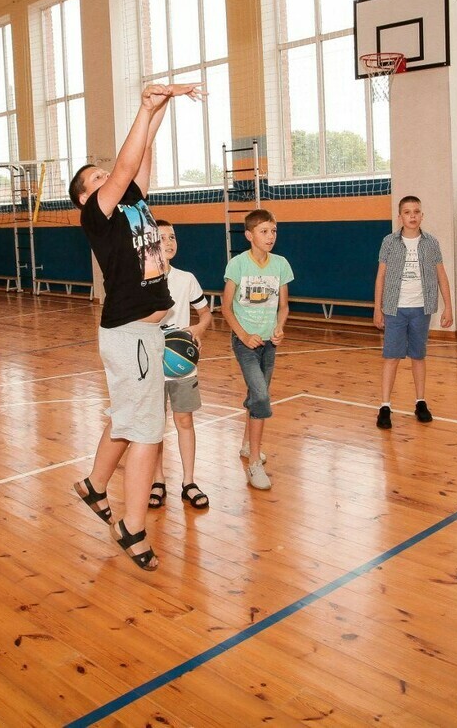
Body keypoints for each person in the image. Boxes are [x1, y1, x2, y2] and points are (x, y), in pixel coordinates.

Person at [69, 82, 203, 571]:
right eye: (97, 176)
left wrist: (160, 110)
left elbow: (140, 157)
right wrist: (142, 109)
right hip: (131, 334)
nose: (109, 175)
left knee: (128, 419)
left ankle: (94, 485)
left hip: (143, 335)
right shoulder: (97, 216)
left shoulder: (132, 203)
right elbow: (126, 165)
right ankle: (132, 526)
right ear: (86, 196)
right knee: (148, 432)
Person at [222, 208, 293, 491]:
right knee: (261, 397)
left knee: (256, 394)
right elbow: (226, 308)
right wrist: (243, 335)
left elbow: (284, 307)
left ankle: (245, 444)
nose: (270, 236)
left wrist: (279, 327)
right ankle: (254, 463)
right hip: (245, 343)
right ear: (249, 235)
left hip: (268, 344)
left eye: (273, 231)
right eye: (264, 231)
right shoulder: (237, 265)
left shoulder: (281, 264)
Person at [149, 219, 215, 512]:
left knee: (184, 420)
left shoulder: (186, 278)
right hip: (151, 364)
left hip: (182, 365)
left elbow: (205, 314)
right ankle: (157, 480)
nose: (169, 242)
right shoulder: (141, 279)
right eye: (162, 237)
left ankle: (189, 482)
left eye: (172, 237)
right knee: (154, 426)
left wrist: (198, 330)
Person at [372, 196, 453, 429]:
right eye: (407, 212)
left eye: (416, 211)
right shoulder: (389, 242)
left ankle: (420, 402)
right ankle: (385, 406)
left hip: (420, 308)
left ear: (422, 215)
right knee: (391, 357)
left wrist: (448, 306)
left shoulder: (431, 243)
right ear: (400, 217)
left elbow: (441, 275)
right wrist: (377, 308)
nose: (412, 216)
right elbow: (381, 276)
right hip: (394, 309)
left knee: (418, 356)